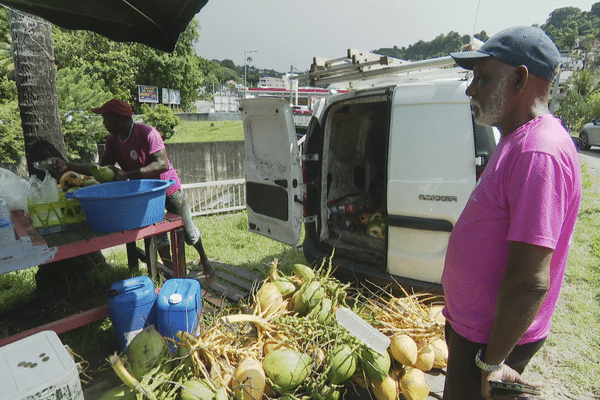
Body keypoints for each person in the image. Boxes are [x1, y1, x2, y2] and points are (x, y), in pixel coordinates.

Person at [442, 26, 581, 399]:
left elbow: (529, 282)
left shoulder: (539, 152)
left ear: (519, 79)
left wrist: (491, 363)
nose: (471, 89)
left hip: (489, 343)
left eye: (483, 78)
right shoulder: (516, 139)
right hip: (476, 333)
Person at [53, 99, 214, 278]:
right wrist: (68, 166)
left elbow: (161, 165)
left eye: (106, 118)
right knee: (158, 237)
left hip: (168, 189)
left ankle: (205, 261)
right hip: (145, 196)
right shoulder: (113, 141)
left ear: (118, 118)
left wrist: (127, 174)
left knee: (188, 230)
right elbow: (99, 169)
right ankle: (172, 273)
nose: (103, 123)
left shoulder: (148, 133)